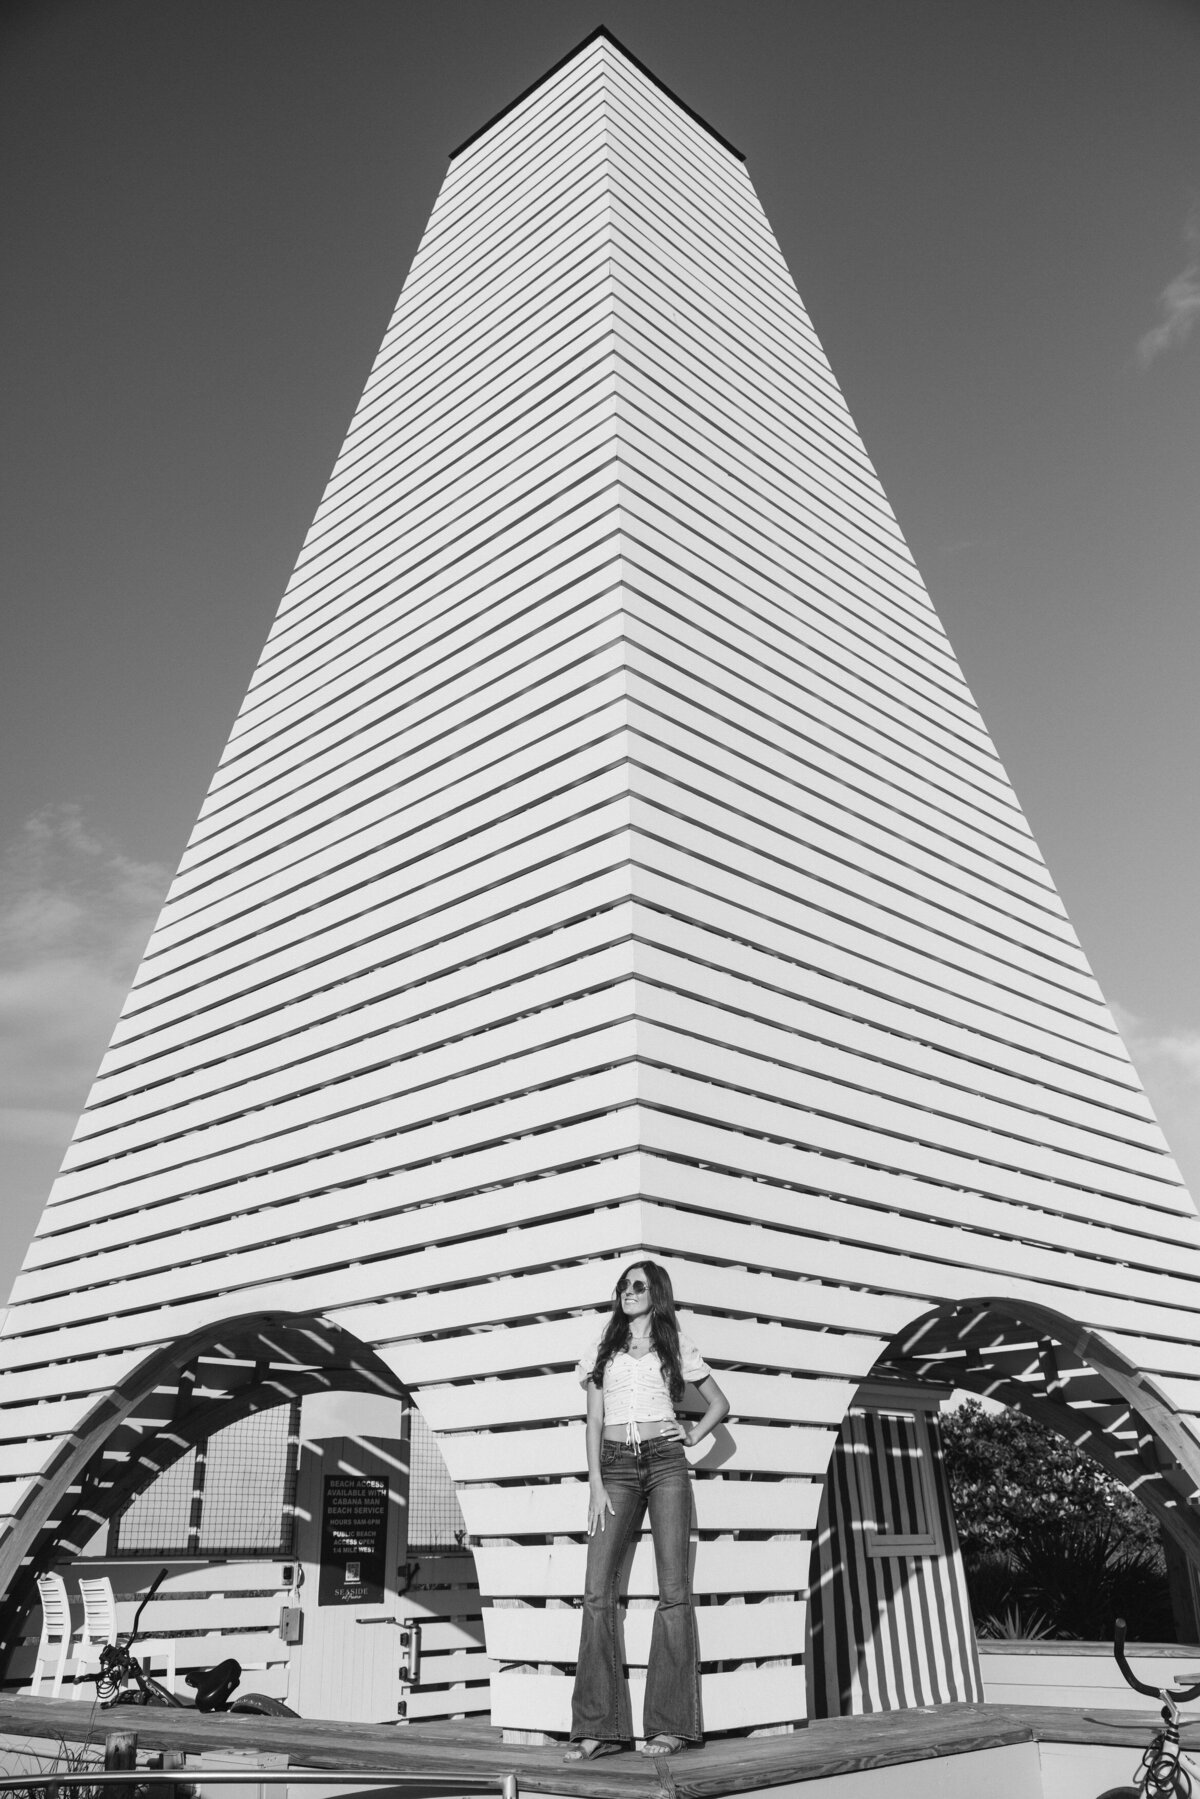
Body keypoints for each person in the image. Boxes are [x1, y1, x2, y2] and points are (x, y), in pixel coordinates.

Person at [564, 1260, 729, 1761]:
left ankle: (671, 1724)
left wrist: (695, 1433)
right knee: (597, 1592)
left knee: (673, 1591)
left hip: (665, 1462)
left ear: (656, 1293)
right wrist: (595, 1483)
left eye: (638, 1285)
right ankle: (599, 1728)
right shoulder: (602, 1347)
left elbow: (718, 1402)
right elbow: (593, 1422)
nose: (628, 1292)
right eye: (623, 1285)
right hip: (613, 1467)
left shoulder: (675, 1343)